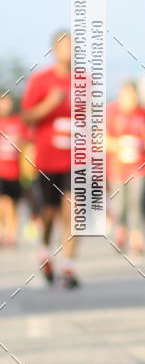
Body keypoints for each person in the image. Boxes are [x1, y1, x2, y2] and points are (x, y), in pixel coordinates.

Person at [21, 31, 79, 288]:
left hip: (76, 159)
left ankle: (68, 267)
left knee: (74, 210)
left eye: (73, 46)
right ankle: (44, 249)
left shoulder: (84, 81)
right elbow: (27, 117)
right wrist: (50, 103)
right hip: (47, 159)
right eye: (65, 46)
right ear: (55, 50)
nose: (70, 51)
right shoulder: (41, 80)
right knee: (49, 212)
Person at [106, 81, 145, 254]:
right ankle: (120, 230)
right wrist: (119, 145)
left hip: (138, 168)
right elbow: (100, 139)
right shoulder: (111, 112)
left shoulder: (143, 113)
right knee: (120, 205)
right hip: (117, 168)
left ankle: (136, 237)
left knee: (137, 202)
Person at [0, 93, 27, 246]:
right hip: (1, 171)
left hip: (15, 172)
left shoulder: (18, 122)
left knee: (13, 204)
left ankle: (12, 233)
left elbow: (25, 143)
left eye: (7, 102)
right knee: (4, 202)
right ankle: (4, 233)